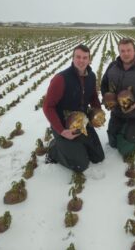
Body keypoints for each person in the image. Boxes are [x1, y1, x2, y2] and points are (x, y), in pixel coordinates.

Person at [43, 44, 105, 172]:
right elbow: (48, 106)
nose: (81, 60)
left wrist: (97, 113)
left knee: (98, 157)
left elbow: (93, 97)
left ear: (89, 60)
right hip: (63, 125)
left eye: (85, 57)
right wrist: (61, 131)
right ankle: (54, 149)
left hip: (81, 121)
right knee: (80, 165)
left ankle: (75, 146)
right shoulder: (61, 79)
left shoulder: (91, 76)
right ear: (73, 58)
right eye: (78, 57)